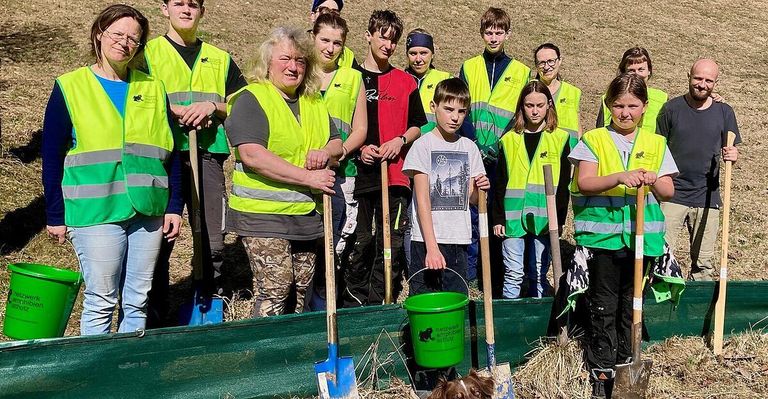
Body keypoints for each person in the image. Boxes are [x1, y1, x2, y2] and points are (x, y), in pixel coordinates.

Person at [42, 4, 183, 335]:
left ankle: (128, 369)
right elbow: (51, 155)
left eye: (134, 38)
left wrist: (174, 207)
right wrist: (54, 215)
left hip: (147, 209)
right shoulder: (70, 86)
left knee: (138, 299)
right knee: (102, 299)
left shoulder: (153, 88)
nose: (125, 42)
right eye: (118, 34)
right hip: (95, 211)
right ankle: (95, 374)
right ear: (99, 35)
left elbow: (172, 152)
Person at [569, 73, 677, 397]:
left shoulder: (656, 143)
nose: (625, 113)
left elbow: (669, 190)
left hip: (641, 242)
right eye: (618, 105)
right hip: (602, 241)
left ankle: (626, 365)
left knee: (631, 307)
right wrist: (620, 176)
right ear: (609, 105)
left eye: (632, 105)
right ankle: (601, 373)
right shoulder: (594, 139)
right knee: (603, 305)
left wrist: (654, 178)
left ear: (644, 107)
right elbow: (585, 182)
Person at [224, 26, 343, 317]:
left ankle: (292, 356)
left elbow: (337, 142)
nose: (293, 67)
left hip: (304, 214)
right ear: (268, 64)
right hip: (262, 215)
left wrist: (326, 152)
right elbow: (253, 155)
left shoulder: (313, 101)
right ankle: (265, 358)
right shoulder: (252, 99)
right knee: (276, 288)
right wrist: (308, 177)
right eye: (285, 59)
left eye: (301, 60)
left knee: (302, 289)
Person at [143, 0, 247, 327]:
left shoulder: (219, 59)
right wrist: (170, 110)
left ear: (202, 11)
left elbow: (244, 104)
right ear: (164, 9)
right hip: (161, 156)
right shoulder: (148, 54)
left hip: (206, 155)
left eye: (193, 4)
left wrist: (212, 106)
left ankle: (206, 299)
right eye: (178, 3)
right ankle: (153, 308)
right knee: (158, 237)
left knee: (212, 239)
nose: (186, 9)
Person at [342, 10, 427, 307]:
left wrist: (400, 140)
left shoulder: (405, 82)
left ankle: (382, 301)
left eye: (393, 40)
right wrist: (358, 148)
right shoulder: (352, 79)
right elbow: (341, 125)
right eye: (382, 37)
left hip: (395, 177)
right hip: (360, 175)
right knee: (361, 241)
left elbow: (418, 123)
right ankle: (355, 301)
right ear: (368, 36)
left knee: (389, 244)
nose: (388, 45)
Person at [459, 7, 530, 282]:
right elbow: (462, 106)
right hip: (474, 151)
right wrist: (475, 143)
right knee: (474, 211)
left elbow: (521, 113)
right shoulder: (469, 66)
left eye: (499, 32)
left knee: (500, 212)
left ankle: (500, 274)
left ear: (507, 34)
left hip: (504, 154)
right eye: (489, 32)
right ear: (482, 33)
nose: (493, 37)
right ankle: (475, 273)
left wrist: (500, 144)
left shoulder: (522, 71)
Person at [403, 78, 489, 295]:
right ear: (434, 107)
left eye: (461, 111)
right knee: (426, 302)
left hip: (458, 239)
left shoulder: (469, 148)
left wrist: (480, 189)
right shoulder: (423, 145)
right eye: (448, 109)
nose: (454, 117)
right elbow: (422, 199)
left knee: (455, 301)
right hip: (426, 240)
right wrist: (432, 247)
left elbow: (473, 199)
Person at [657, 58, 740, 281]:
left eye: (708, 80)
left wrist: (733, 155)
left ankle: (695, 313)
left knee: (703, 265)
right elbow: (657, 149)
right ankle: (660, 310)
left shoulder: (724, 112)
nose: (702, 84)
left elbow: (731, 148)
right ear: (689, 76)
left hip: (707, 199)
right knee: (660, 258)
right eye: (698, 78)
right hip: (672, 195)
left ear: (715, 83)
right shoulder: (670, 109)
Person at [307, 13, 368, 310]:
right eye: (325, 40)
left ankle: (324, 302)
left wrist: (338, 152)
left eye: (337, 43)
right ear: (313, 38)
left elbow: (360, 129)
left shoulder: (353, 78)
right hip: (301, 174)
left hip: (339, 172)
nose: (330, 48)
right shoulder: (299, 72)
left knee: (333, 245)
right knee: (306, 243)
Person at [491, 81, 570, 298]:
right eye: (529, 105)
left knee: (538, 271)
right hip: (512, 217)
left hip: (545, 217)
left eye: (539, 105)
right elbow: (500, 183)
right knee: (513, 272)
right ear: (521, 107)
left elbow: (564, 185)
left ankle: (539, 317)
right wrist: (498, 218)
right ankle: (511, 320)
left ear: (549, 106)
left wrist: (560, 219)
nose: (534, 111)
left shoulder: (561, 139)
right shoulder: (509, 140)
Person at [595, 47, 667, 134]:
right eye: (631, 70)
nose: (636, 74)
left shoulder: (661, 99)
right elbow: (599, 131)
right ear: (623, 72)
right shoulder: (609, 97)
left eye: (641, 70)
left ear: (649, 71)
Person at [534, 43, 582, 149]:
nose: (546, 67)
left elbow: (577, 130)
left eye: (551, 61)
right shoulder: (529, 91)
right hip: (539, 154)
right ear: (536, 66)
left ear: (559, 61)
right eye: (541, 63)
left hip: (567, 156)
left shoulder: (573, 92)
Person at [404, 29, 453, 124]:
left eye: (423, 53)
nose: (418, 59)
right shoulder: (397, 80)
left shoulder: (445, 80)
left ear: (432, 55)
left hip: (435, 138)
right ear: (407, 55)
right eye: (413, 53)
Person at [309, 0, 355, 68]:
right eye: (323, 10)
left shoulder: (348, 55)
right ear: (313, 16)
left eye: (335, 13)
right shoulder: (298, 46)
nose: (329, 15)